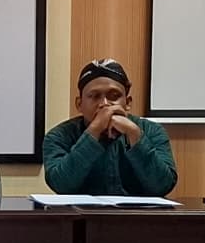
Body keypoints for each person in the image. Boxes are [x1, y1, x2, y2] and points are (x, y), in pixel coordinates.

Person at [43, 58, 178, 197]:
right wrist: (94, 131)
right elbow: (61, 185)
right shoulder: (59, 136)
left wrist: (134, 135)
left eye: (114, 96)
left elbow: (163, 186)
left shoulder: (152, 131)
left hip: (137, 211)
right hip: (82, 211)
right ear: (79, 104)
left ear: (128, 103)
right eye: (94, 96)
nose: (104, 104)